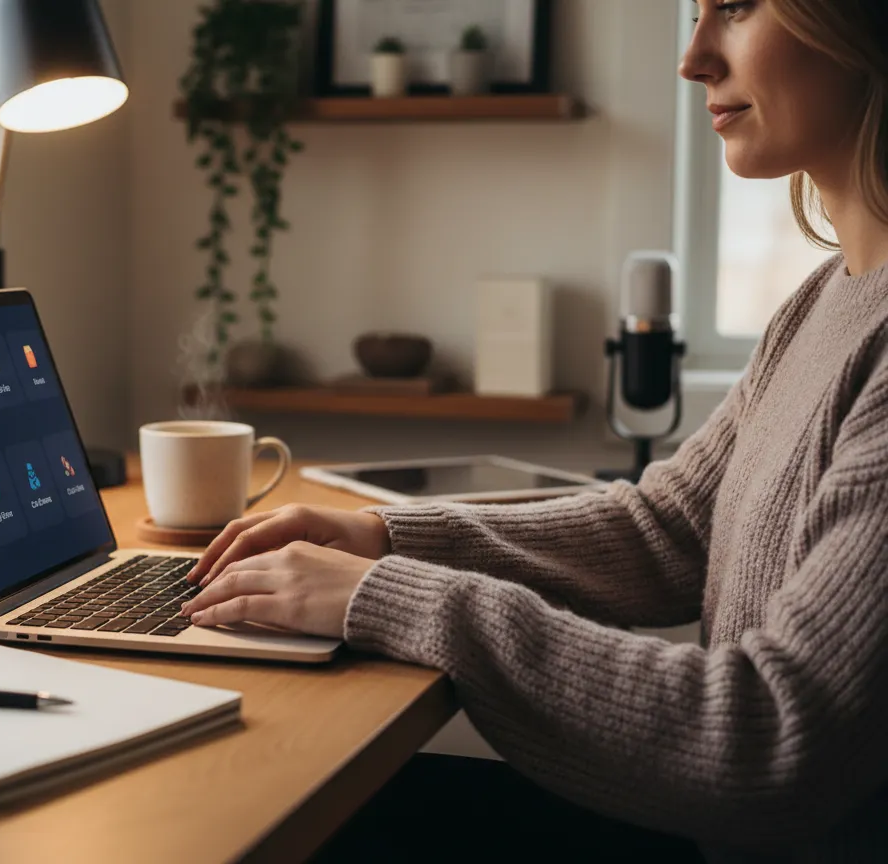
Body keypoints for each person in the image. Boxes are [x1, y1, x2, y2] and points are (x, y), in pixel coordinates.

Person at [181, 0, 888, 860]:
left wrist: (390, 597)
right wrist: (385, 538)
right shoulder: (824, 300)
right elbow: (668, 528)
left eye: (735, 7)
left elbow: (772, 738)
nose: (693, 57)